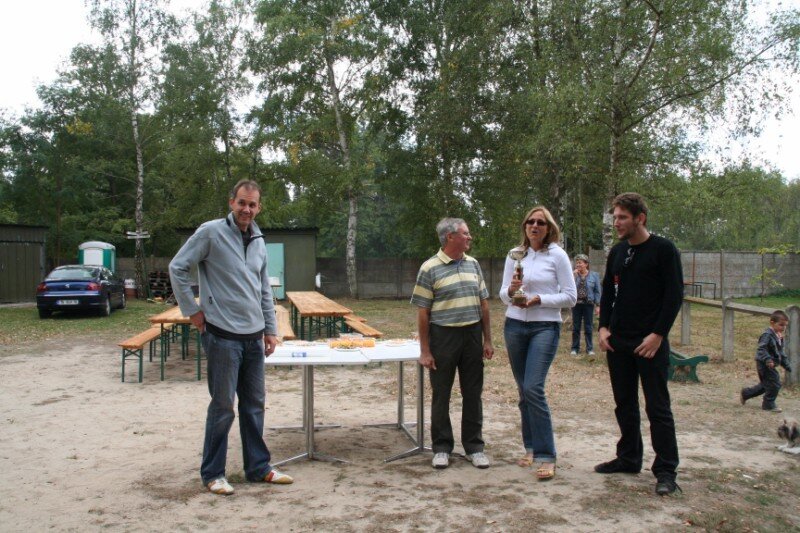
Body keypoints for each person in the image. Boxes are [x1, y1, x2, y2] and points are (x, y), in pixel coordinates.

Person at [169, 179, 293, 495]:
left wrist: (270, 329)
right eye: (241, 203)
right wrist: (192, 311)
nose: (246, 209)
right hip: (222, 336)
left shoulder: (259, 241)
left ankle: (258, 468)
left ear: (258, 207)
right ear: (231, 203)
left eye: (252, 204)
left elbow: (263, 289)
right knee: (223, 407)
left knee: (254, 405)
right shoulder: (210, 233)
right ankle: (213, 474)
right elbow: (177, 268)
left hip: (254, 338)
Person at [595, 192, 684, 496]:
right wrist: (603, 327)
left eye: (622, 217)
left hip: (649, 343)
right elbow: (608, 292)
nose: (617, 223)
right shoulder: (618, 252)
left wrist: (658, 335)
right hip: (619, 342)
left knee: (657, 407)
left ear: (640, 218)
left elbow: (674, 296)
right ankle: (629, 457)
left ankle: (666, 470)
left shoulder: (663, 250)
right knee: (624, 404)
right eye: (615, 217)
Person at [500, 206, 576, 481]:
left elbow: (571, 297)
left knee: (533, 387)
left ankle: (546, 455)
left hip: (544, 326)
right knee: (524, 391)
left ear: (549, 228)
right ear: (525, 226)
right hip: (514, 325)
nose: (534, 226)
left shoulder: (557, 255)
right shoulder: (515, 254)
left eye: (540, 223)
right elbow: (503, 294)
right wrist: (511, 291)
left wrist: (540, 300)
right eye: (530, 222)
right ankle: (530, 447)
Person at [411, 217, 494, 469]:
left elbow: (484, 304)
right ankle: (441, 448)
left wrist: (488, 339)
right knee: (441, 394)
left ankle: (474, 447)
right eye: (465, 233)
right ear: (450, 237)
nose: (470, 237)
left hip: (472, 336)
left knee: (473, 393)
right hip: (443, 337)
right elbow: (423, 312)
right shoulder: (429, 268)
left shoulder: (473, 264)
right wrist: (425, 350)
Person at [740, 310, 792, 413]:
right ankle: (768, 404)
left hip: (770, 364)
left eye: (785, 326)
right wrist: (768, 359)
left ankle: (746, 393)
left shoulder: (778, 336)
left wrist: (786, 364)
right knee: (775, 383)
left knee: (766, 384)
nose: (783, 328)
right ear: (772, 323)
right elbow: (761, 349)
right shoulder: (767, 335)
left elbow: (780, 352)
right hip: (764, 364)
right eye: (781, 325)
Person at [570, 254, 601, 356]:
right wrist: (573, 276)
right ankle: (575, 348)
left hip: (588, 304)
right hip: (576, 304)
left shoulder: (594, 275)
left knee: (588, 327)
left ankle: (589, 349)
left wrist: (598, 305)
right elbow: (569, 288)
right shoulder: (573, 275)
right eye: (577, 263)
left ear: (586, 264)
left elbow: (597, 291)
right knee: (576, 327)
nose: (578, 265)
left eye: (580, 262)